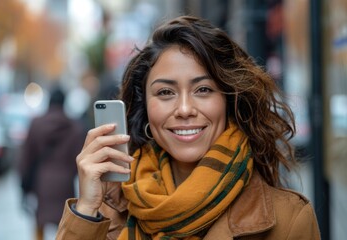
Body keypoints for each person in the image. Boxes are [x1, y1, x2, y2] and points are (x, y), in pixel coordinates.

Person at [56, 16, 320, 240]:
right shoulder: (107, 211)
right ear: (146, 107)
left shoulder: (288, 220)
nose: (184, 109)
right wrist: (87, 209)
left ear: (230, 100)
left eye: (203, 89)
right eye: (165, 92)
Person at [18, 87, 85, 240]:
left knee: (39, 223)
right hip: (65, 183)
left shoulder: (36, 123)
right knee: (64, 224)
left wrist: (23, 185)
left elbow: (26, 156)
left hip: (41, 183)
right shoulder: (75, 127)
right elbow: (80, 157)